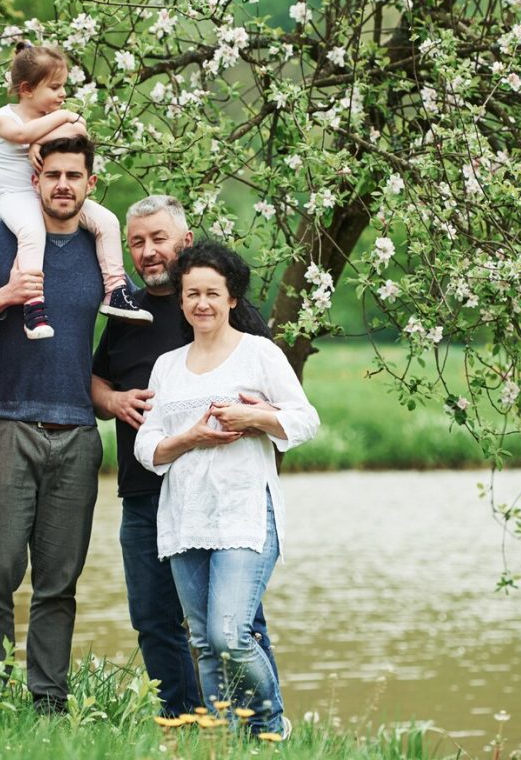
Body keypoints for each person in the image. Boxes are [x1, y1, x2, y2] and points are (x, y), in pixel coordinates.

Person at [91, 197, 280, 716]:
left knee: (236, 625)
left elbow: (276, 398)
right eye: (137, 242)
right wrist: (111, 400)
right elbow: (97, 378)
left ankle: (258, 729)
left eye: (159, 238)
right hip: (143, 493)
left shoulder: (216, 305)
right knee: (156, 621)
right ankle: (188, 727)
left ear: (186, 241)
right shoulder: (124, 309)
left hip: (217, 495)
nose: (149, 252)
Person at [134, 240, 319, 737]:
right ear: (181, 299)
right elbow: (146, 448)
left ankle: (270, 722)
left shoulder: (259, 354)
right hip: (184, 518)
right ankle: (225, 741)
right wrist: (189, 437)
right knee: (202, 639)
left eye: (212, 293)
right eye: (192, 293)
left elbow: (305, 421)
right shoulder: (167, 366)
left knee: (229, 633)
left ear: (231, 297)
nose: (202, 303)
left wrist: (255, 416)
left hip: (244, 515)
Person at [0, 134, 106, 714]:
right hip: (4, 425)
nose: (63, 185)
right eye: (53, 174)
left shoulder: (99, 250)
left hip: (78, 433)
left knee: (58, 582)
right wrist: (5, 297)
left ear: (91, 184)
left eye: (75, 175)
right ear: (35, 178)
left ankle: (47, 704)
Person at [0, 42, 149, 338]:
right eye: (54, 87)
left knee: (108, 222)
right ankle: (33, 305)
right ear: (26, 89)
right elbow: (22, 134)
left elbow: (81, 130)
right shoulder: (4, 117)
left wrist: (44, 138)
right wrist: (63, 119)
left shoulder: (45, 120)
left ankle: (115, 290)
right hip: (14, 197)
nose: (63, 94)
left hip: (49, 194)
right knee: (32, 232)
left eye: (63, 86)